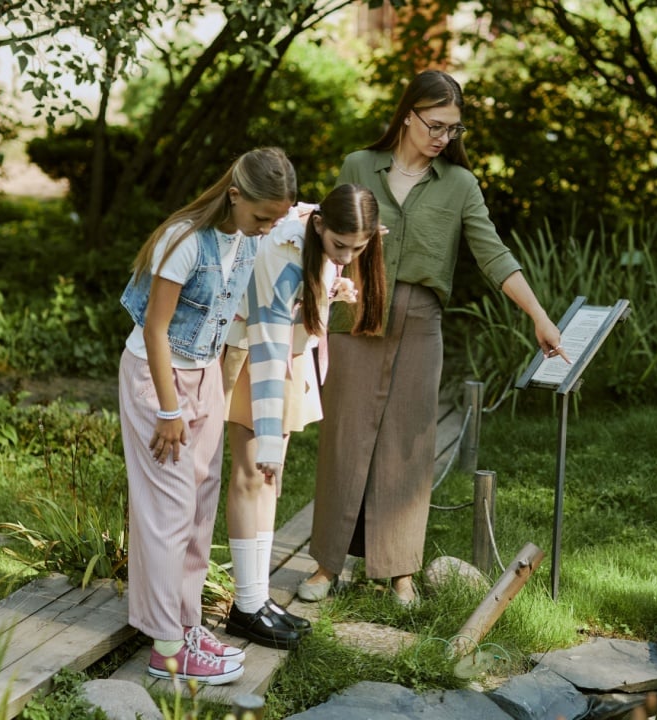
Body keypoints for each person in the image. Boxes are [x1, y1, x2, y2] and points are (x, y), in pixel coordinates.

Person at [297, 70, 569, 607]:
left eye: (454, 129)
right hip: (356, 315)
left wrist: (538, 315)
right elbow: (325, 235)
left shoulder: (460, 185)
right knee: (345, 438)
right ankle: (327, 565)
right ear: (408, 115)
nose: (444, 137)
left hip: (421, 319)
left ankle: (400, 572)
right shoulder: (358, 165)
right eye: (436, 124)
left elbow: (493, 254)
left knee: (409, 443)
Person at [118, 147, 296, 685]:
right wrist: (171, 408)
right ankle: (166, 648)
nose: (268, 230)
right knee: (167, 513)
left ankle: (187, 625)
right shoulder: (183, 241)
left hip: (206, 377)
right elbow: (155, 329)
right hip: (160, 379)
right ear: (236, 195)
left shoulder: (243, 239)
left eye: (276, 220)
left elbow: (315, 219)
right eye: (262, 217)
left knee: (198, 510)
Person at [220, 184, 387, 648]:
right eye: (340, 247)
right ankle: (245, 606)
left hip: (287, 356)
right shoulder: (283, 248)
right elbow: (269, 339)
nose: (349, 254)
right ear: (318, 226)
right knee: (252, 472)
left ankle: (254, 597)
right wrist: (270, 435)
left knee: (269, 479)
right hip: (255, 355)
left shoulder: (320, 236)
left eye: (359, 247)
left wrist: (332, 287)